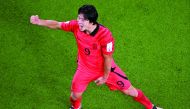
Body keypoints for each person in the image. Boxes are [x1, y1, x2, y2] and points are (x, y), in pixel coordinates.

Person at [30, 4, 162, 109]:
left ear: (91, 21)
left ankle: (152, 107)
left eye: (82, 19)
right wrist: (39, 22)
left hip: (106, 69)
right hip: (85, 68)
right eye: (78, 18)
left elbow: (108, 59)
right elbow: (58, 24)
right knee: (75, 95)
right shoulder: (76, 26)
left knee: (130, 91)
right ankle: (76, 107)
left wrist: (105, 77)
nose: (78, 21)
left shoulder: (105, 35)